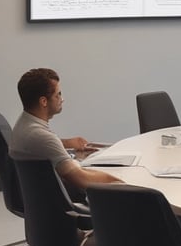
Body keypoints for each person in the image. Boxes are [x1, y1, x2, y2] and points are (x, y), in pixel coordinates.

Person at [9, 67, 123, 198]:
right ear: (43, 101)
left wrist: (68, 143)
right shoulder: (42, 136)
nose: (62, 99)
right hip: (66, 202)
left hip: (40, 197)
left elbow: (41, 146)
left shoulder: (25, 123)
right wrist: (121, 179)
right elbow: (82, 180)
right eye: (58, 94)